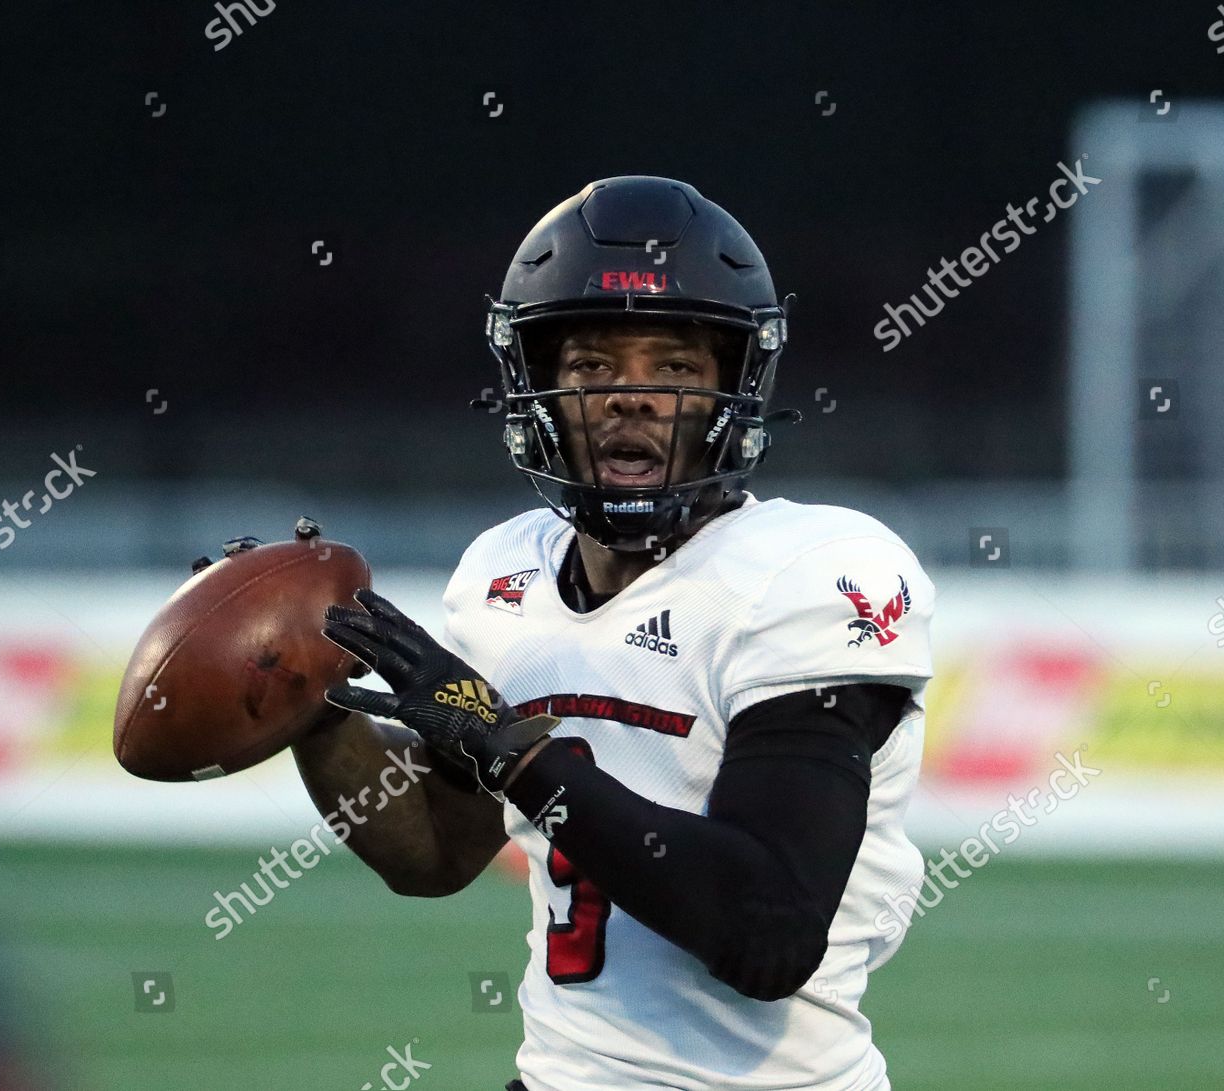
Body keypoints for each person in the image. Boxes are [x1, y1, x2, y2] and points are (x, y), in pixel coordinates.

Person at [294, 176, 935, 1090]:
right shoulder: (501, 574)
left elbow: (768, 930)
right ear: (537, 387)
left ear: (735, 390)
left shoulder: (812, 572)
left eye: (674, 368)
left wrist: (503, 743)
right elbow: (435, 852)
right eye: (593, 365)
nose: (631, 395)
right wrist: (309, 710)